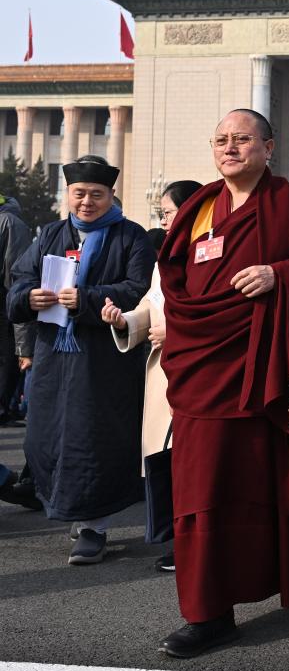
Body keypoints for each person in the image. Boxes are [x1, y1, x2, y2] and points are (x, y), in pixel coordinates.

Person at [157, 109, 289, 658]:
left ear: (269, 146)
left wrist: (281, 275)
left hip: (266, 373)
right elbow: (171, 277)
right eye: (221, 140)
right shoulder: (198, 208)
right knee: (202, 493)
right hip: (202, 369)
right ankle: (208, 612)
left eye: (242, 139)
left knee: (271, 485)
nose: (230, 148)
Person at [6, 155, 156, 564]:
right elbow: (21, 280)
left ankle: (95, 526)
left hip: (104, 359)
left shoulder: (131, 236)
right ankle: (68, 505)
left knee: (97, 439)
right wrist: (28, 298)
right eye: (79, 193)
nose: (86, 201)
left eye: (96, 194)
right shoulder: (52, 234)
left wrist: (88, 299)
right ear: (68, 194)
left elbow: (139, 289)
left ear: (111, 195)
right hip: (53, 355)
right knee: (46, 436)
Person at [101, 180, 202, 573]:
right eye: (162, 213)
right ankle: (178, 542)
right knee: (168, 463)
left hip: (198, 374)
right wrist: (124, 320)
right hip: (163, 375)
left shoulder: (214, 253)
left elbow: (222, 313)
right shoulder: (168, 258)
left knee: (194, 463)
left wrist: (176, 332)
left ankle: (198, 545)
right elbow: (150, 304)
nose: (164, 219)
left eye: (169, 212)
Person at [0, 194, 33, 426]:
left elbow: (17, 276)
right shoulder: (12, 222)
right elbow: (17, 278)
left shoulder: (10, 223)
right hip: (4, 305)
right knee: (6, 357)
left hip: (4, 303)